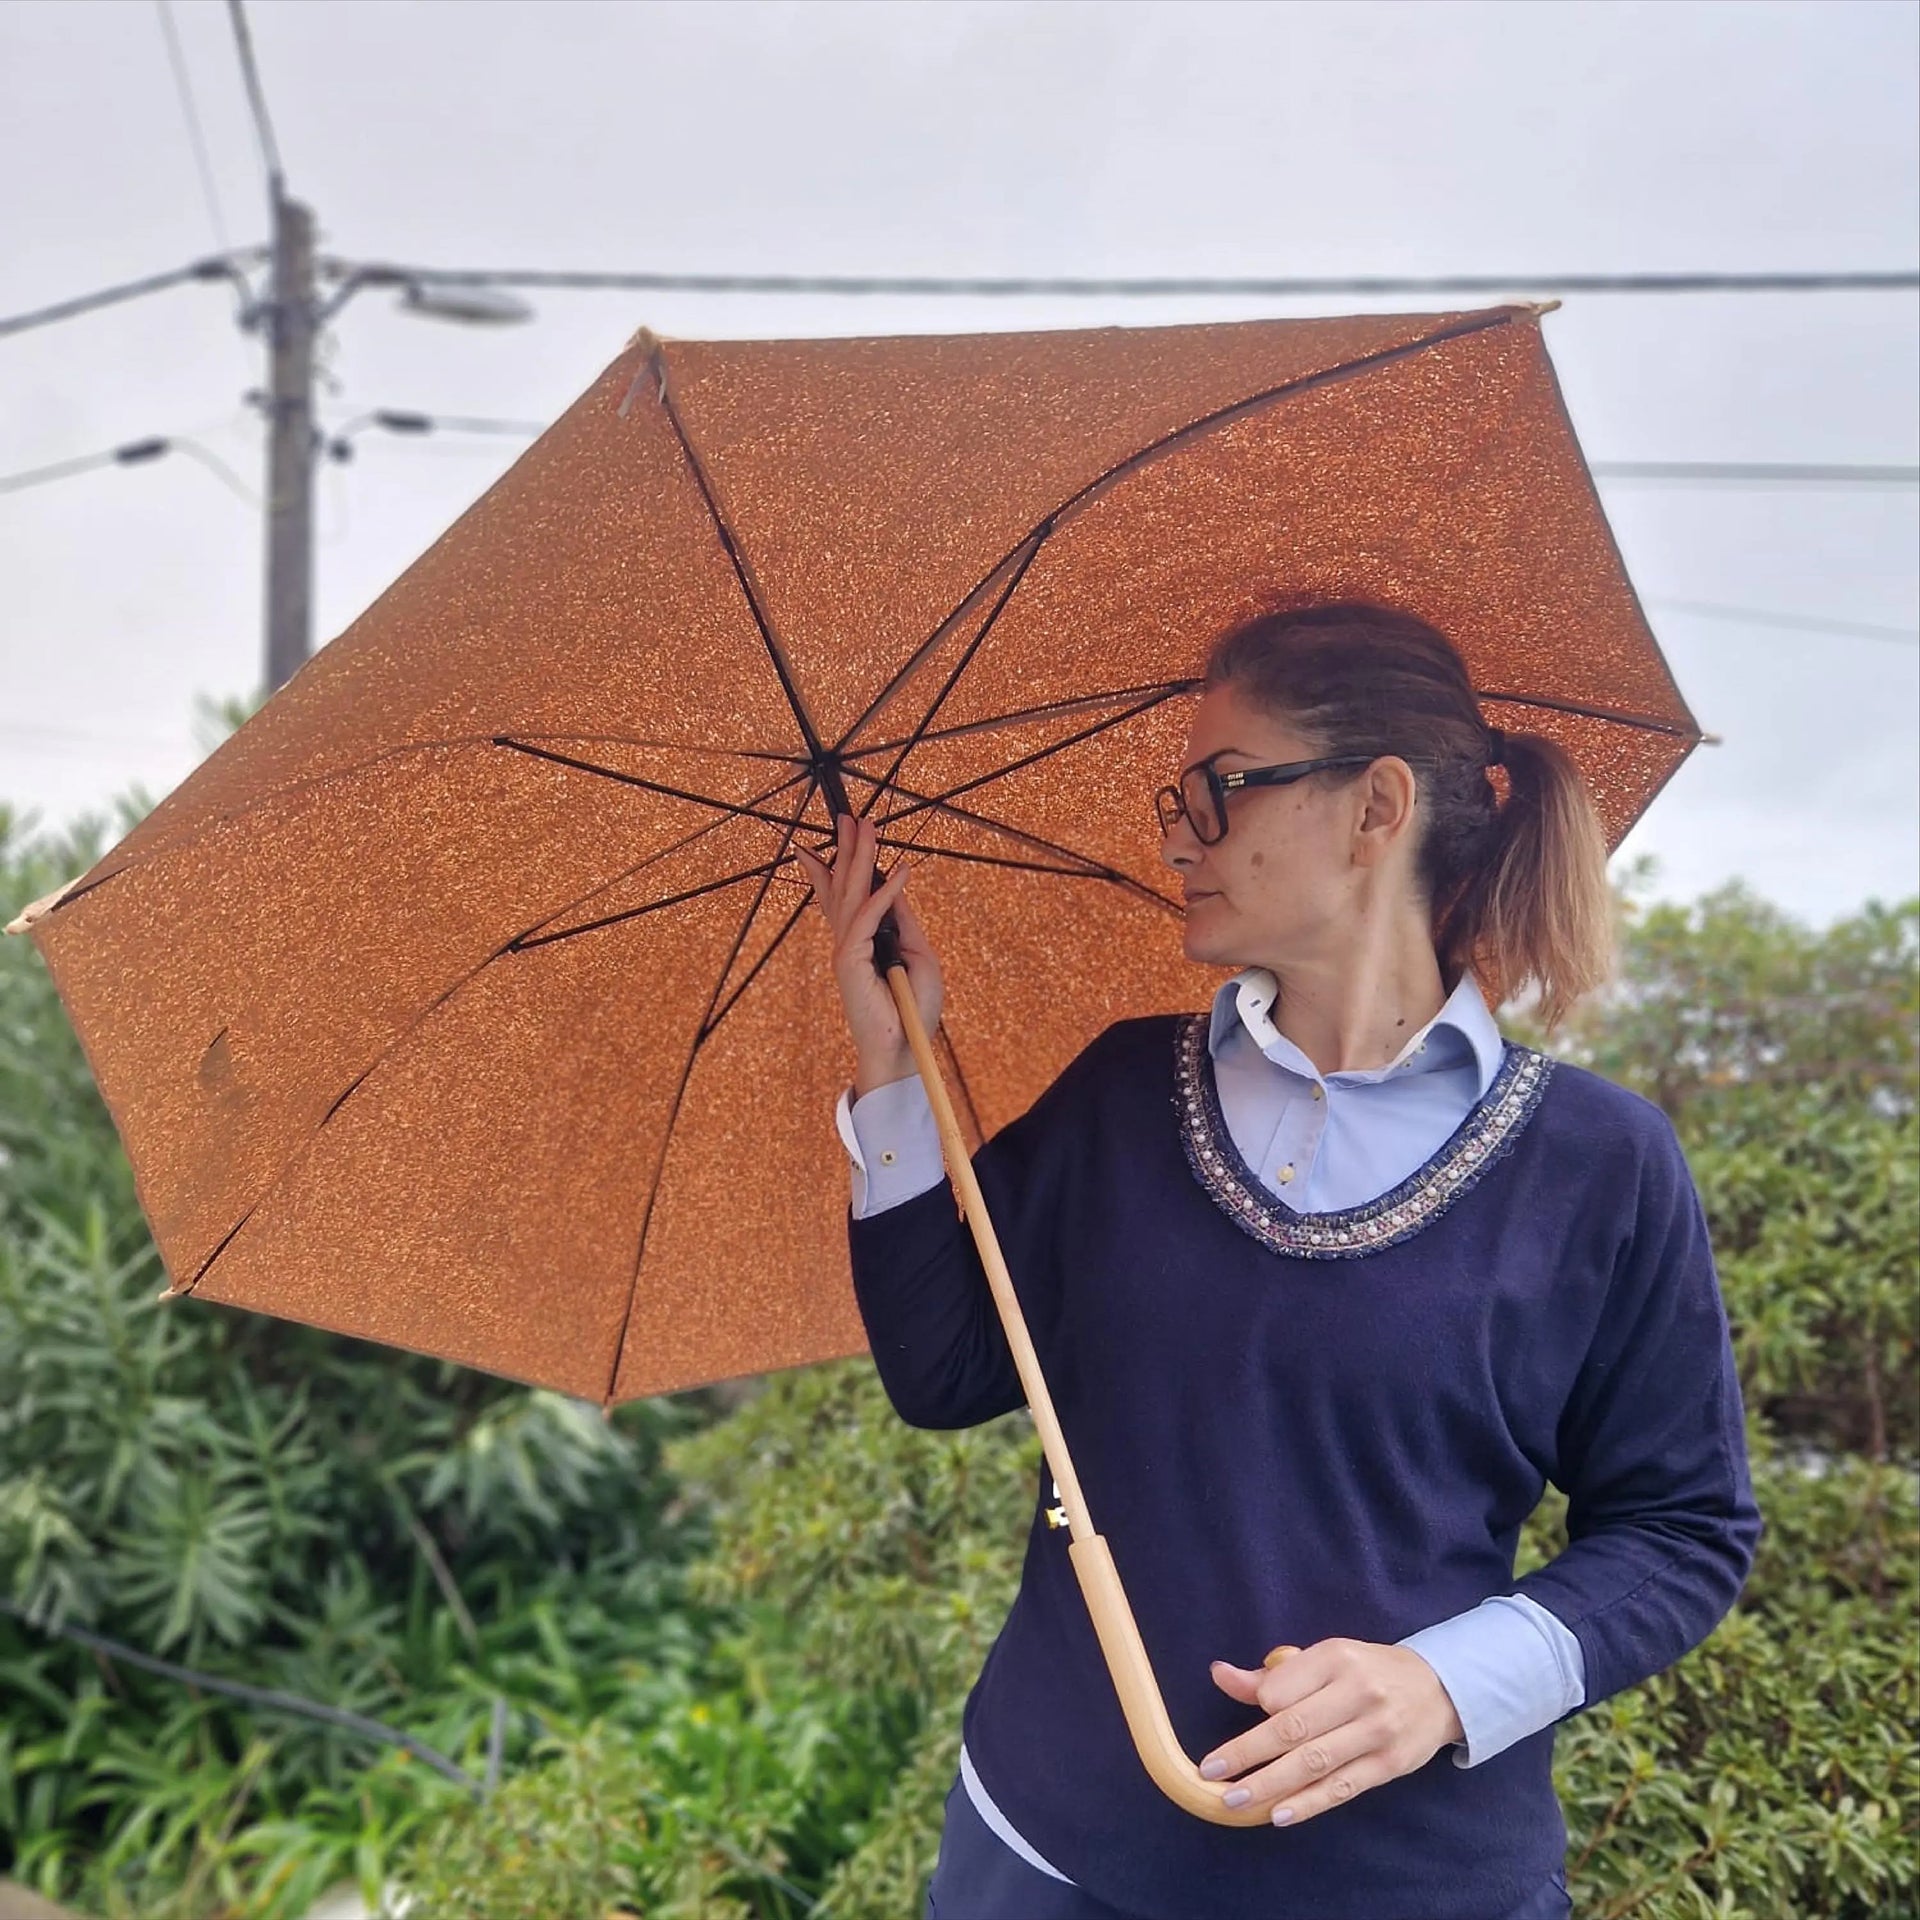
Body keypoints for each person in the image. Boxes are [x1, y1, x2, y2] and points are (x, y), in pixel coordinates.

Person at [792, 601, 1762, 1920]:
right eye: (1182, 797)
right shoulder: (1124, 1095)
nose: (1182, 832)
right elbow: (945, 1370)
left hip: (1414, 1888)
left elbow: (1683, 1530)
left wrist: (1442, 1683)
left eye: (1222, 789)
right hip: (1043, 1861)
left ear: (1377, 809)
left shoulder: (1601, 1166)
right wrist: (891, 1066)